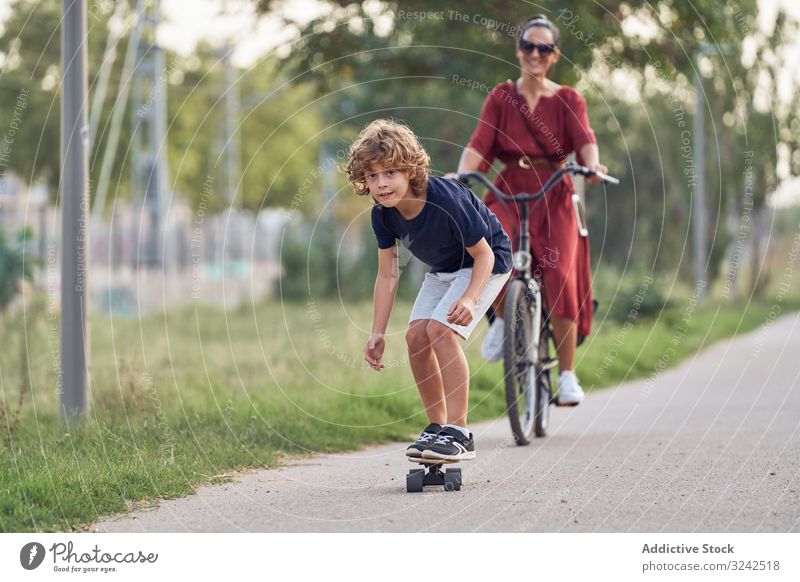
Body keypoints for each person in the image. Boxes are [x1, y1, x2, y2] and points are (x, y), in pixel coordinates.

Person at [456, 14, 608, 405]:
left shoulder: (569, 99)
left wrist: (592, 166)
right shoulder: (501, 96)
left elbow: (585, 140)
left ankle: (568, 375)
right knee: (491, 248)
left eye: (544, 48)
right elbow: (479, 144)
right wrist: (463, 174)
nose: (535, 54)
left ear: (554, 55)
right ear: (518, 50)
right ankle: (503, 321)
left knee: (559, 274)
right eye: (528, 46)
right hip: (508, 187)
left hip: (555, 191)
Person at [346, 119, 512, 460]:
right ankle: (438, 429)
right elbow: (388, 275)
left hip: (486, 263)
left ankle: (459, 431)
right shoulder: (383, 215)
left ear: (410, 170)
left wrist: (468, 297)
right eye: (372, 176)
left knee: (441, 331)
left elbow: (484, 254)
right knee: (415, 337)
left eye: (390, 172)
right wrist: (377, 332)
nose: (381, 183)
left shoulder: (445, 198)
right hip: (443, 271)